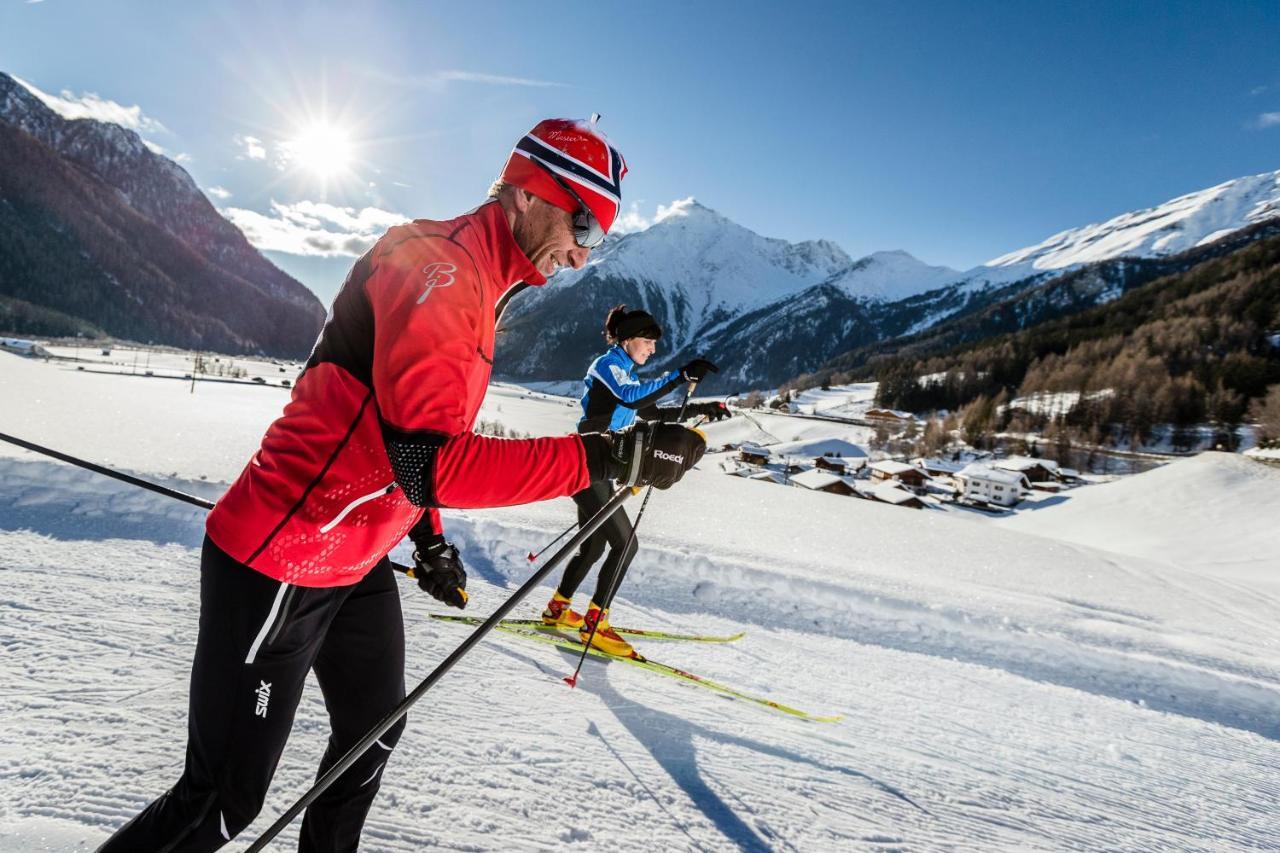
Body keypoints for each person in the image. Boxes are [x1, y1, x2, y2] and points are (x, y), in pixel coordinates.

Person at [98, 118, 706, 853]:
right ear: (528, 192)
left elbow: (408, 443)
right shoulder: (442, 272)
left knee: (371, 735)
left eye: (599, 235)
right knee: (221, 802)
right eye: (582, 221)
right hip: (282, 556)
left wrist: (428, 535)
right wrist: (605, 456)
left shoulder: (483, 283)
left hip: (351, 560)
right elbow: (430, 461)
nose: (583, 250)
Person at [541, 305, 725, 657]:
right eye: (648, 341)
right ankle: (596, 624)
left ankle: (557, 610)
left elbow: (651, 411)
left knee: (595, 546)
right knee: (626, 545)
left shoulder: (624, 372)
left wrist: (705, 409)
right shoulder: (608, 366)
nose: (652, 349)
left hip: (600, 467)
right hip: (587, 464)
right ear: (627, 340)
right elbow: (632, 398)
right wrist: (679, 375)